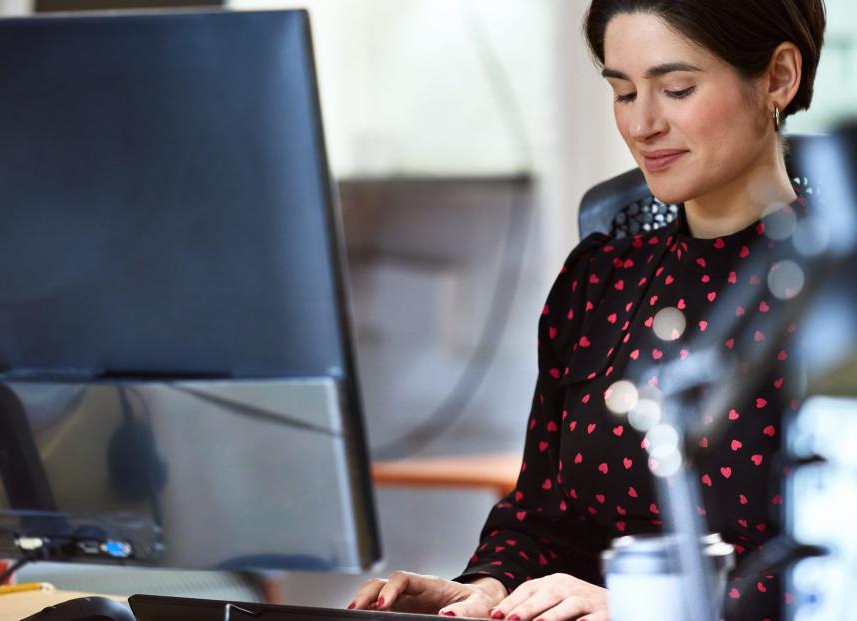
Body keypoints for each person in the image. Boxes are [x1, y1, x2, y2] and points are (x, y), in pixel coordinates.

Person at [350, 1, 826, 619]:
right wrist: (489, 587)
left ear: (778, 78)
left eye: (676, 89)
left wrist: (648, 607)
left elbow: (848, 562)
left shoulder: (851, 290)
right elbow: (546, 516)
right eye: (624, 93)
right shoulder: (599, 281)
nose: (642, 124)